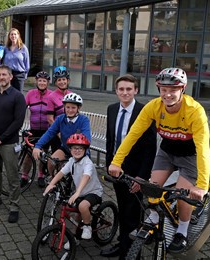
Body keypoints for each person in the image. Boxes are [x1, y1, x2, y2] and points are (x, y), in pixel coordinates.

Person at [108, 68, 210, 253]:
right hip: (167, 151)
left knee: (183, 198)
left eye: (173, 90)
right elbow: (133, 135)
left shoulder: (195, 111)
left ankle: (182, 231)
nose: (168, 94)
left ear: (183, 89)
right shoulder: (153, 107)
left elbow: (203, 147)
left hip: (190, 156)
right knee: (152, 190)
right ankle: (154, 219)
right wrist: (116, 162)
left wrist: (201, 185)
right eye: (163, 89)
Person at [100, 74, 156, 258]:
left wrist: (142, 177)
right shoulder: (112, 109)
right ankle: (122, 244)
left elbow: (150, 149)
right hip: (117, 170)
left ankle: (132, 253)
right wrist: (109, 165)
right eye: (121, 89)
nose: (125, 92)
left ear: (136, 90)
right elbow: (110, 141)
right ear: (116, 91)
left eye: (129, 89)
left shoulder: (145, 112)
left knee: (134, 214)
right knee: (123, 209)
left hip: (136, 172)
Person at [0, 64, 26, 223]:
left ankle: (14, 206)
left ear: (10, 77)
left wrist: (2, 138)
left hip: (9, 143)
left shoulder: (17, 96)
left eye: (4, 75)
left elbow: (18, 121)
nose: (1, 77)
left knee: (12, 176)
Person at [43, 133, 103, 242]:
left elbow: (86, 177)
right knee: (76, 215)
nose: (77, 151)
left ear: (85, 150)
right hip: (80, 192)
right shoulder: (71, 161)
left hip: (93, 192)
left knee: (83, 206)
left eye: (80, 148)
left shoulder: (87, 163)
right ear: (70, 150)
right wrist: (52, 183)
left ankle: (87, 226)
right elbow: (61, 172)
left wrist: (77, 192)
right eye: (74, 148)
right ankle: (76, 238)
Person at [32, 93, 91, 175]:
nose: (70, 110)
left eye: (73, 107)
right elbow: (49, 133)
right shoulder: (61, 119)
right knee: (51, 162)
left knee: (80, 173)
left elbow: (87, 138)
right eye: (68, 107)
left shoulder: (84, 120)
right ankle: (55, 183)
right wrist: (38, 146)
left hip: (80, 151)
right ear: (64, 107)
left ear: (78, 108)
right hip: (66, 148)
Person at [20, 71, 53, 188]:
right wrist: (20, 126)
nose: (42, 83)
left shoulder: (51, 95)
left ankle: (40, 175)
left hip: (46, 130)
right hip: (33, 129)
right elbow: (21, 110)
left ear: (48, 82)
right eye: (40, 80)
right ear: (36, 82)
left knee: (43, 154)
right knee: (29, 155)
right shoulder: (30, 94)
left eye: (44, 81)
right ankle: (24, 176)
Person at [46, 66, 72, 152]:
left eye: (64, 79)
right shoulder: (51, 97)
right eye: (59, 80)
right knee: (57, 161)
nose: (62, 82)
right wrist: (59, 133)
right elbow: (50, 119)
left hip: (70, 132)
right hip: (57, 134)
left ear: (68, 80)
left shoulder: (71, 95)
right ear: (56, 82)